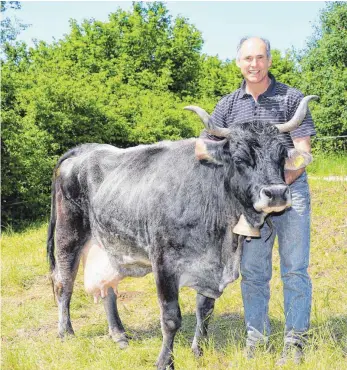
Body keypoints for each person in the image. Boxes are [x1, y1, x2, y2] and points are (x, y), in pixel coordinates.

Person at [200, 36, 316, 364]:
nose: (254, 64)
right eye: (248, 58)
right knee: (252, 270)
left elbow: (303, 153)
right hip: (249, 201)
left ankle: (294, 340)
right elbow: (202, 147)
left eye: (260, 57)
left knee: (294, 269)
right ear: (238, 62)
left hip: (289, 193)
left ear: (269, 60)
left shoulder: (290, 98)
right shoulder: (227, 106)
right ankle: (256, 338)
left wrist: (276, 187)